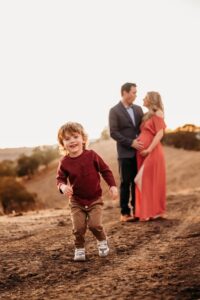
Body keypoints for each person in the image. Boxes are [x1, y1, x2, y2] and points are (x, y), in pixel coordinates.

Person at [56, 122, 118, 261]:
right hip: (76, 201)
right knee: (78, 228)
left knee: (95, 225)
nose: (72, 141)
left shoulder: (92, 155)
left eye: (75, 136)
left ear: (83, 139)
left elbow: (105, 170)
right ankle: (79, 248)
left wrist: (112, 186)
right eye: (67, 139)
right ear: (62, 143)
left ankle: (102, 241)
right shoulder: (64, 162)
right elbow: (59, 179)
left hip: (94, 199)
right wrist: (63, 187)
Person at [109, 82, 144, 222]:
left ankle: (138, 211)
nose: (135, 95)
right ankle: (125, 213)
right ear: (124, 92)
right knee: (125, 183)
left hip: (139, 153)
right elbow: (113, 132)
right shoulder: (114, 110)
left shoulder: (138, 109)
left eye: (136, 92)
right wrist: (131, 143)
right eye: (133, 92)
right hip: (124, 153)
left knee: (137, 182)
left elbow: (142, 128)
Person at [134, 91, 166, 221]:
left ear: (151, 99)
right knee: (146, 181)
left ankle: (154, 210)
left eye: (145, 97)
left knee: (143, 179)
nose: (143, 99)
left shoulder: (158, 113)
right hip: (142, 152)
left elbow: (159, 134)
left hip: (152, 151)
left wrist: (148, 149)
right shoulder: (147, 115)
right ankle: (150, 212)